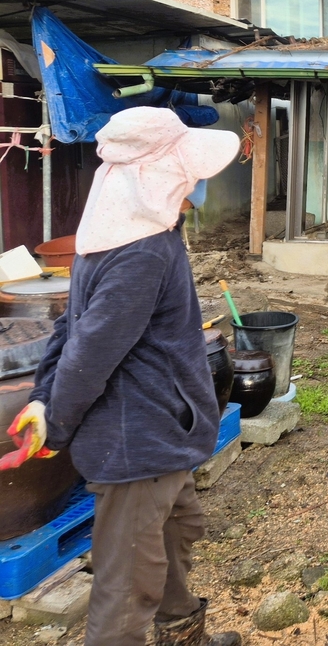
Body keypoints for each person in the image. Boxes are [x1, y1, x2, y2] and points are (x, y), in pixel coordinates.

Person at [0, 106, 242, 646]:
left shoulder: (108, 236)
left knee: (174, 530)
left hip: (159, 431)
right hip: (139, 437)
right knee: (126, 585)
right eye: (189, 177)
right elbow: (89, 345)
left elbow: (70, 327)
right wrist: (53, 417)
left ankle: (182, 631)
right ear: (158, 180)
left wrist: (41, 400)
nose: (196, 187)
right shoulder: (141, 252)